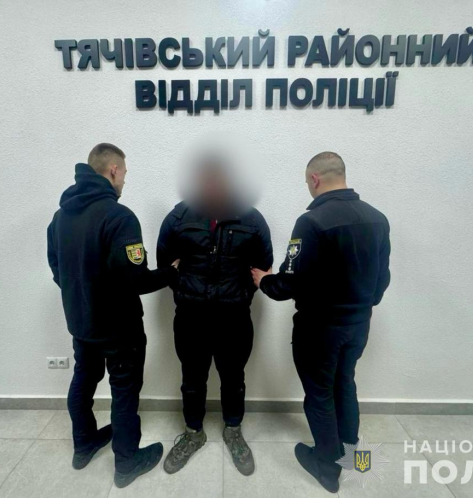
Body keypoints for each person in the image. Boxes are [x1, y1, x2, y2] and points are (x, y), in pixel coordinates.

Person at [251, 152, 390, 494]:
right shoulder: (377, 218)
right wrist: (361, 307)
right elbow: (382, 280)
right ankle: (353, 458)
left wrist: (264, 281)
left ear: (314, 179)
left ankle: (327, 468)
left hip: (320, 329)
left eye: (306, 182)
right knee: (345, 384)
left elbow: (290, 283)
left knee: (319, 394)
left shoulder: (312, 222)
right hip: (358, 325)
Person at [47, 143, 179, 488]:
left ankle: (83, 444)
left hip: (81, 323)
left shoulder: (60, 217)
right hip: (119, 329)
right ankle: (127, 462)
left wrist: (82, 297)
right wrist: (170, 272)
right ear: (114, 170)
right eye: (124, 175)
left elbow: (57, 269)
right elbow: (136, 279)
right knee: (124, 391)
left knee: (83, 380)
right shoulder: (119, 217)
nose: (124, 182)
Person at [156, 152, 273, 476]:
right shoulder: (178, 217)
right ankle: (193, 432)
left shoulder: (251, 220)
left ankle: (233, 430)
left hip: (234, 319)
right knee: (192, 380)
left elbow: (262, 266)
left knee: (234, 379)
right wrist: (186, 289)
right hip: (191, 318)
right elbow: (165, 264)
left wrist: (239, 295)